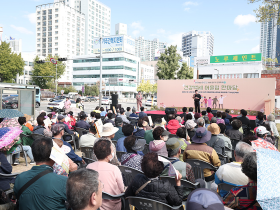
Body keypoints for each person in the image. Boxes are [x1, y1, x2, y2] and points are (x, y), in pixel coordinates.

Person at [14, 138, 68, 210]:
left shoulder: (19, 178)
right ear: (53, 156)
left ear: (33, 154)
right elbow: (78, 203)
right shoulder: (63, 181)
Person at [87, 139, 125, 210]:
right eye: (112, 150)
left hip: (95, 205)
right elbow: (122, 190)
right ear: (108, 154)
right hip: (114, 206)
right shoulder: (114, 169)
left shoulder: (89, 167)